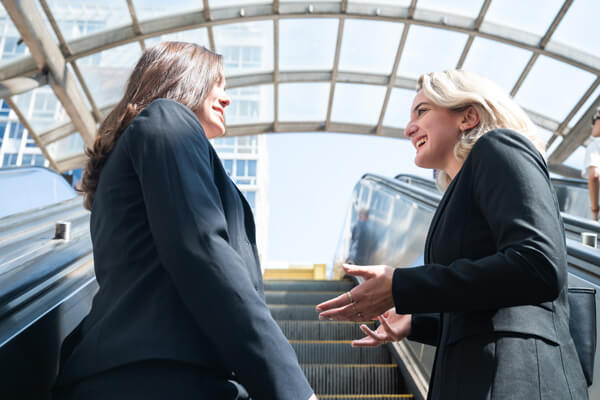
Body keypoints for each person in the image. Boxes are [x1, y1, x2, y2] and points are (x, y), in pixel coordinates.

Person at [52, 42, 316, 400]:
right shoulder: (168, 119)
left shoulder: (134, 152)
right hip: (161, 376)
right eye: (217, 83)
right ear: (182, 79)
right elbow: (204, 250)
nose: (227, 99)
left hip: (134, 373)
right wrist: (292, 388)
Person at [317, 70, 588, 399]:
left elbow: (538, 265)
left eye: (422, 111)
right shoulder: (458, 194)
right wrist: (416, 323)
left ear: (468, 116)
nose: (408, 128)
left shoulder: (498, 146)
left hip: (517, 379)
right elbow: (485, 305)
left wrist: (402, 286)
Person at [582, 106, 600, 220]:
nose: (592, 125)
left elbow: (594, 175)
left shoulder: (596, 145)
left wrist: (595, 211)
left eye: (594, 119)